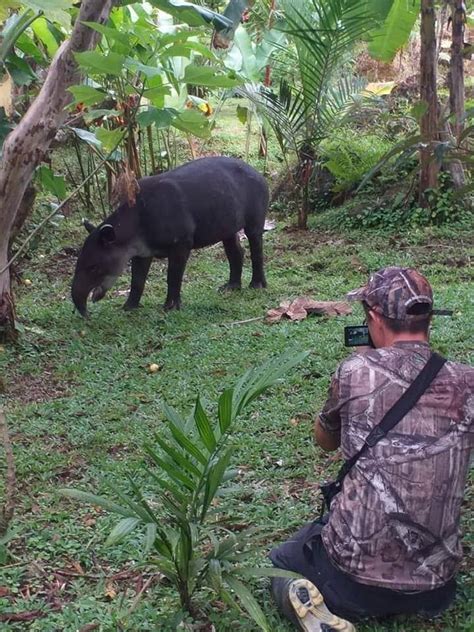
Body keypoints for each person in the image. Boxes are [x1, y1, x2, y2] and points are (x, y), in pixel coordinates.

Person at [270, 267, 473, 632]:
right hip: (437, 586)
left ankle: (311, 605)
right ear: (428, 320)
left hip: (355, 581)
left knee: (282, 558)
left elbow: (325, 441)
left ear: (375, 317)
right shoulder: (466, 381)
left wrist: (364, 360)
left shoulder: (354, 371)